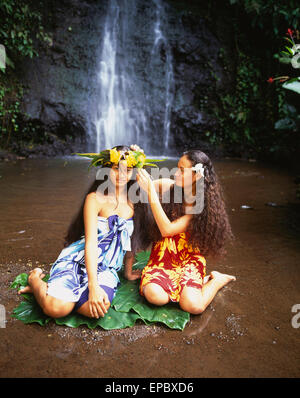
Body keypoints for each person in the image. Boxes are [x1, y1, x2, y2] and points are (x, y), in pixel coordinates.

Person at [18, 145, 150, 319]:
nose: (122, 174)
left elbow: (129, 239)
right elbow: (90, 244)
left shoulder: (135, 201)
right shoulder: (95, 199)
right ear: (107, 169)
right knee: (56, 310)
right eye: (117, 168)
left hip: (106, 268)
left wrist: (127, 272)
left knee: (97, 310)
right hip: (80, 258)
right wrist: (93, 287)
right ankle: (35, 279)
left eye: (128, 169)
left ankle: (62, 296)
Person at [136, 149, 236, 315]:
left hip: (188, 258)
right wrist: (137, 161)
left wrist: (152, 194)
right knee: (155, 297)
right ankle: (182, 286)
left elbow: (167, 230)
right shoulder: (169, 187)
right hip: (163, 257)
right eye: (177, 168)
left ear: (196, 175)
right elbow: (138, 186)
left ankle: (216, 280)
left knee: (193, 306)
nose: (176, 173)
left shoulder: (200, 207)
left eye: (182, 170)